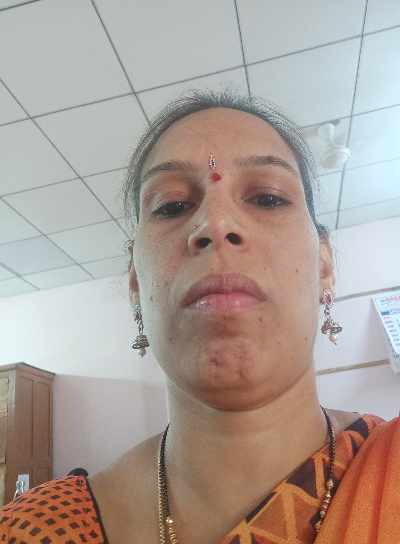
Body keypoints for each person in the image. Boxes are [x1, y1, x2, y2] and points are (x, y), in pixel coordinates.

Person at [1, 90, 399, 544]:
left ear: (324, 266)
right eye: (171, 206)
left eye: (268, 198)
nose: (215, 223)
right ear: (136, 282)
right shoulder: (33, 531)